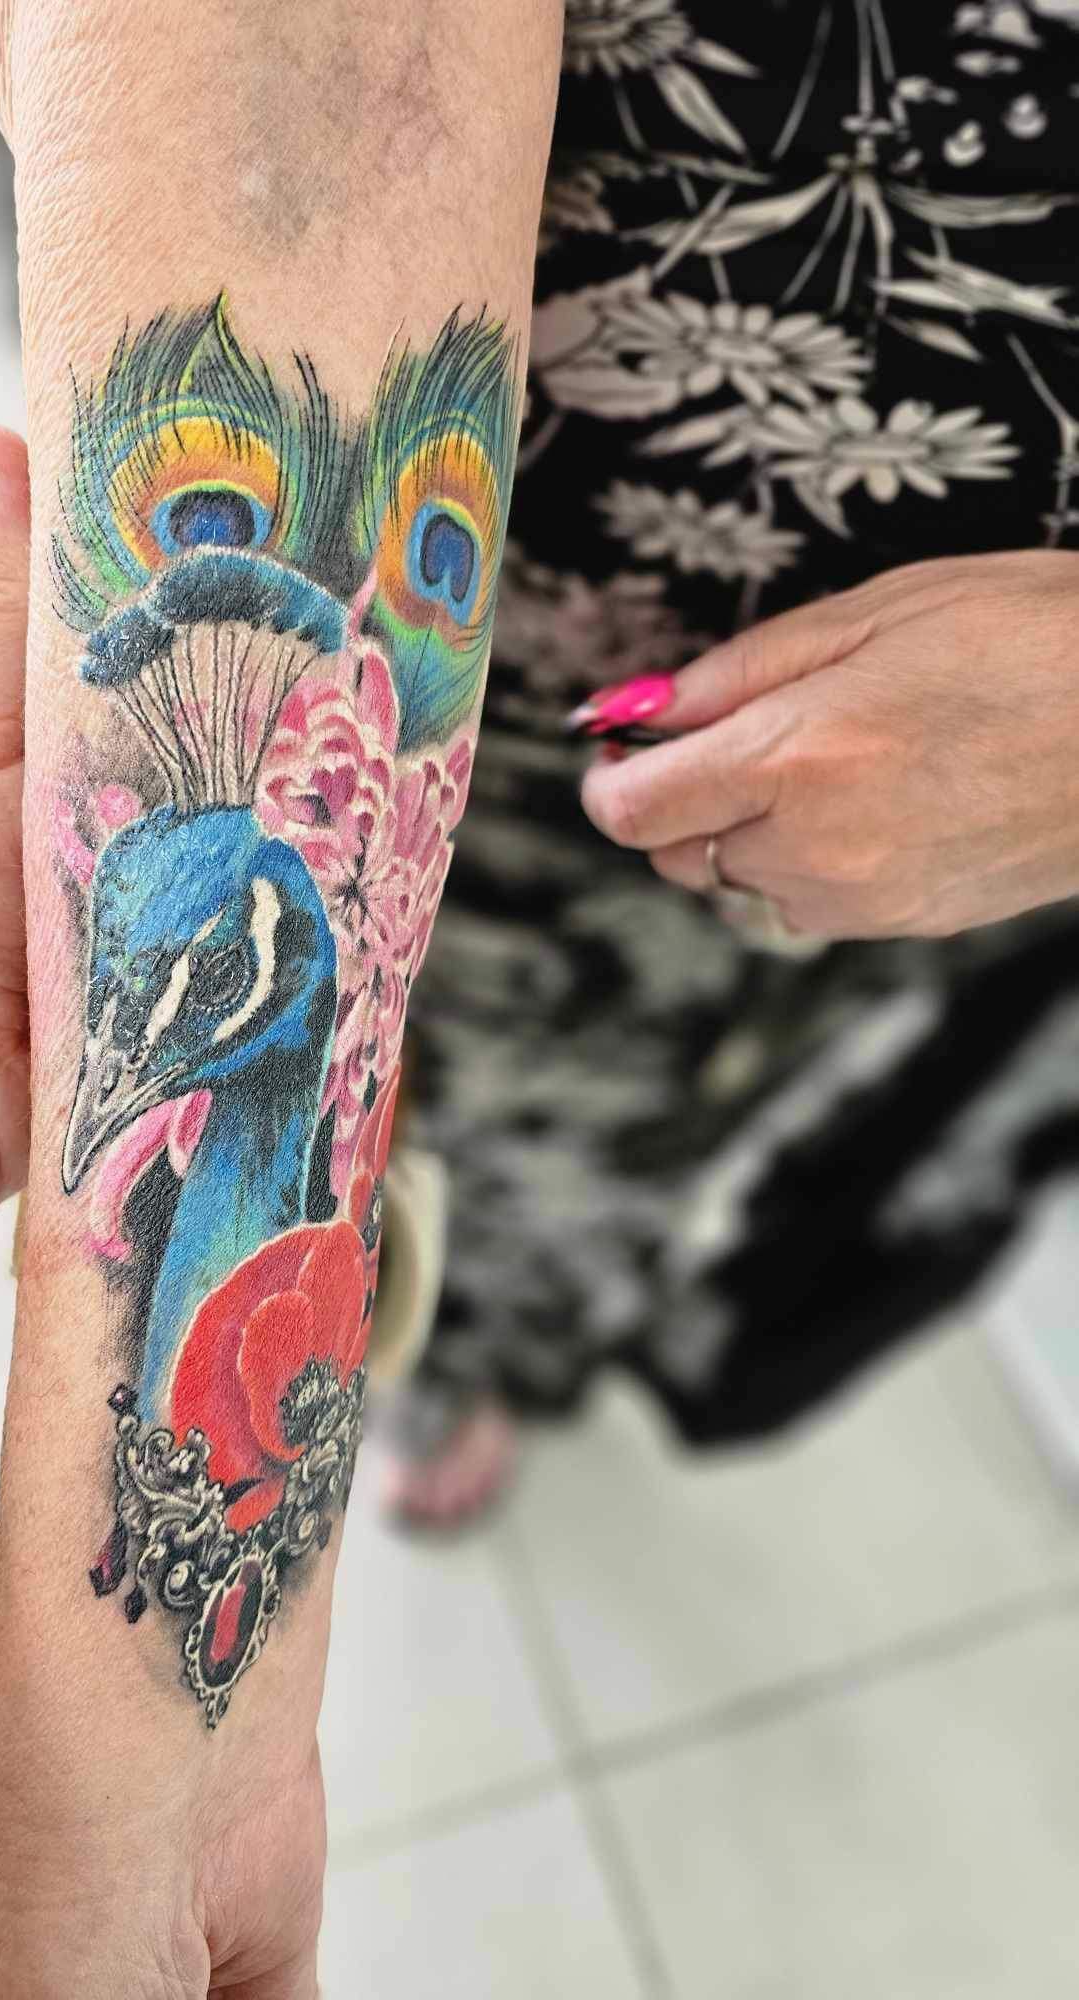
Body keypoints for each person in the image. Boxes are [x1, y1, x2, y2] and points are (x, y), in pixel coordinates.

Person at [0, 6, 1079, 1998]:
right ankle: (413, 1349)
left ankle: (477, 1350)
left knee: (601, 1129)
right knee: (349, 1099)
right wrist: (129, 1767)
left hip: (882, 765)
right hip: (547, 600)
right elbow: (308, 94)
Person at [384, 0, 1079, 1524]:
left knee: (720, 1125)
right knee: (466, 1117)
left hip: (1005, 805)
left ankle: (516, 1352)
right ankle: (455, 1363)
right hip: (477, 707)